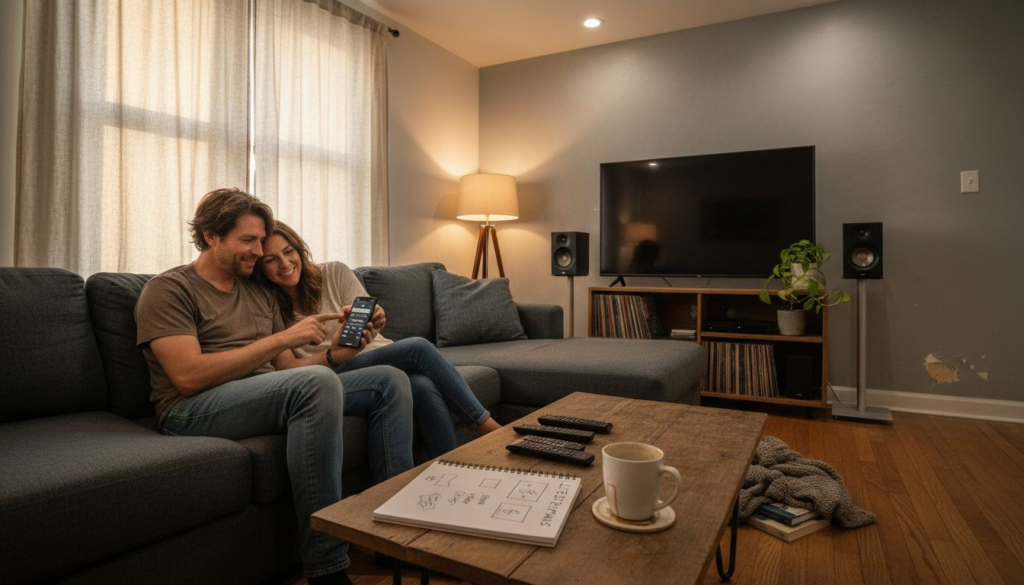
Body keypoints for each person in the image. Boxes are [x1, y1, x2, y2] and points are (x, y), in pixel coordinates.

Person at [135, 188, 409, 585]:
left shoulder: (258, 293)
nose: (257, 250)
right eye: (248, 240)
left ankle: (387, 536)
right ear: (211, 236)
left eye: (260, 240)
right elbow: (188, 376)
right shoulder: (169, 290)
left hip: (265, 393)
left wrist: (335, 354)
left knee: (388, 380)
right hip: (191, 408)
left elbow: (291, 369)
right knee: (313, 385)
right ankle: (328, 570)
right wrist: (282, 339)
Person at [252, 221, 501, 457]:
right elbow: (286, 368)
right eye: (271, 259)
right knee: (417, 347)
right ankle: (485, 426)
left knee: (421, 385)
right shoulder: (265, 304)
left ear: (299, 249)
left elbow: (368, 321)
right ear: (260, 267)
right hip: (334, 371)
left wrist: (376, 318)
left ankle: (449, 469)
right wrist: (332, 356)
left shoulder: (334, 273)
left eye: (288, 252)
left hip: (378, 355)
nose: (284, 263)